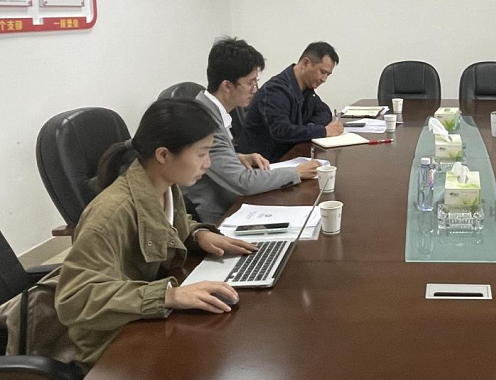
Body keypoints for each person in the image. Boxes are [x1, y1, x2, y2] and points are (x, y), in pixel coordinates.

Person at [54, 99, 259, 370]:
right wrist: (169, 296)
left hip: (144, 320)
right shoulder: (110, 214)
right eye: (201, 154)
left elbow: (168, 225)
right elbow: (74, 299)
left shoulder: (165, 185)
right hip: (111, 346)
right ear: (163, 155)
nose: (208, 163)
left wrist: (198, 234)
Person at [183, 37, 320, 223]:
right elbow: (243, 182)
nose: (255, 90)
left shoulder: (206, 109)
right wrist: (296, 173)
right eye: (250, 83)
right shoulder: (205, 122)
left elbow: (213, 159)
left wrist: (236, 157)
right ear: (227, 86)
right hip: (221, 215)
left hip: (236, 202)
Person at [237, 41, 343, 161]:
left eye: (328, 75)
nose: (324, 79)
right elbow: (282, 131)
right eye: (322, 72)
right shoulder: (275, 91)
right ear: (306, 63)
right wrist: (323, 131)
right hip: (265, 162)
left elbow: (325, 112)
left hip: (291, 154)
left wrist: (309, 127)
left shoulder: (307, 89)